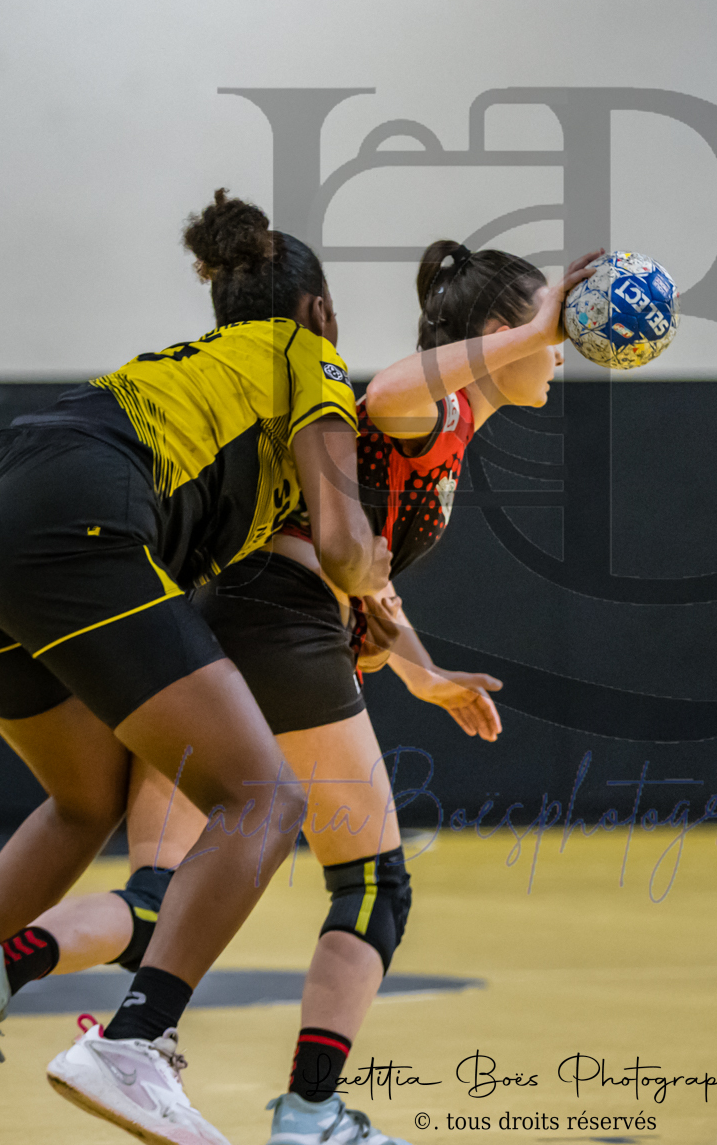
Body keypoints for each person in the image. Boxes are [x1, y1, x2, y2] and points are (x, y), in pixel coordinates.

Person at [0, 189, 392, 1145]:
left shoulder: (197, 371)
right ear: (319, 311)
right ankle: (136, 1042)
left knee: (85, 797)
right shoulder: (309, 358)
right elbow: (340, 546)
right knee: (264, 799)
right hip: (71, 512)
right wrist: (371, 576)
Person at [195, 238, 597, 1145]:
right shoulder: (433, 407)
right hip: (273, 627)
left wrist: (423, 671)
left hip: (255, 627)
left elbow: (370, 587)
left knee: (160, 891)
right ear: (500, 331)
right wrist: (538, 328)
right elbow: (384, 393)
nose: (560, 351)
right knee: (372, 885)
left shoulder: (455, 430)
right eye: (546, 330)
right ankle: (304, 1112)